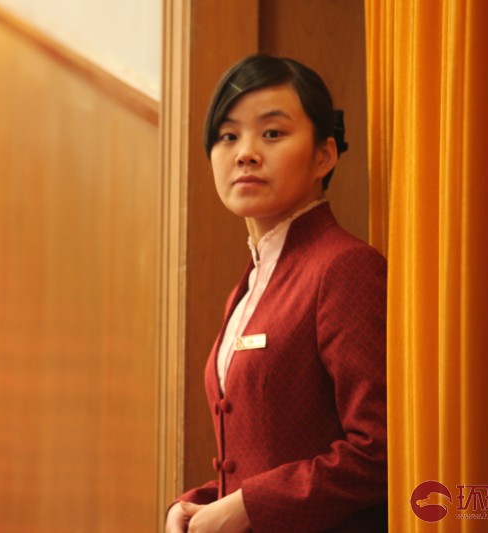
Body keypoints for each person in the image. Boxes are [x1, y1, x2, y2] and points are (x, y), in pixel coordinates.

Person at [165, 54, 388, 532]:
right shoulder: (251, 282)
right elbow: (260, 457)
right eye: (228, 136)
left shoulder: (344, 266)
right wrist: (195, 505)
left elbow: (379, 449)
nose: (245, 152)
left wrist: (248, 507)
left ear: (324, 155)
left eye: (272, 133)